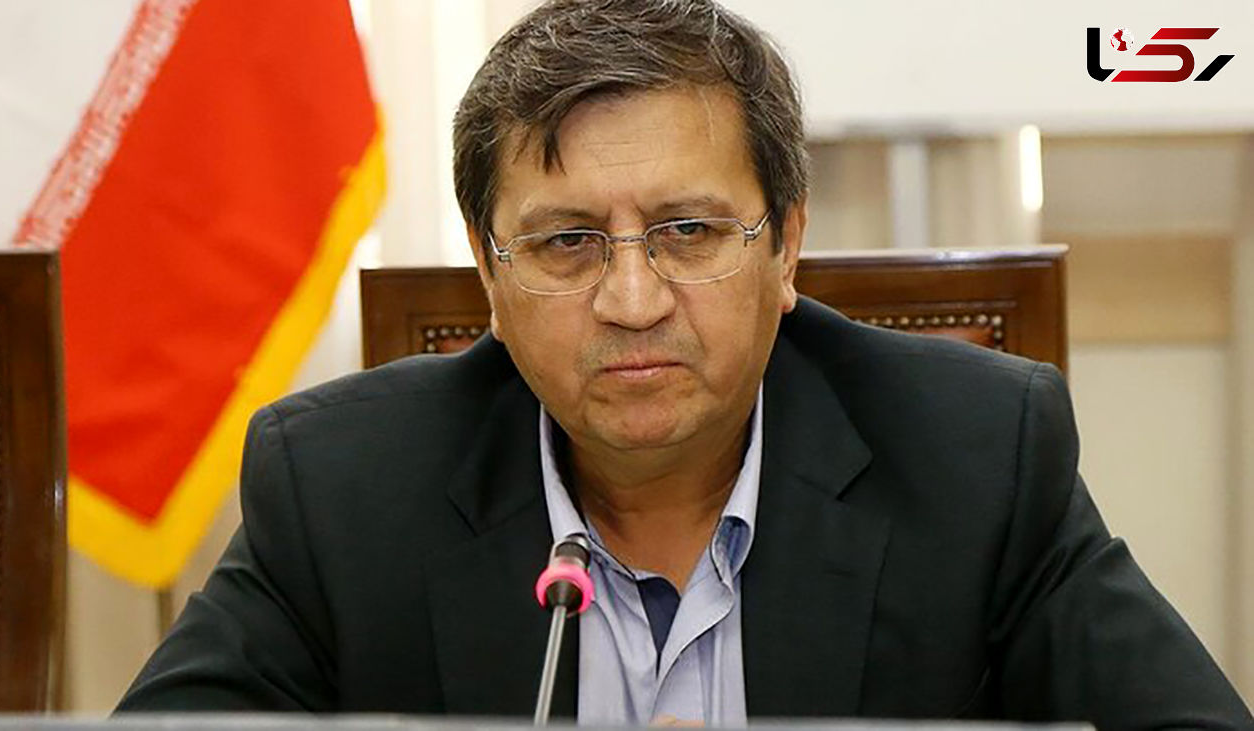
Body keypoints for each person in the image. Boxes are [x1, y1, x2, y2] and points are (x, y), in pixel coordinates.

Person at [118, 0, 1252, 725]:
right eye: (567, 242)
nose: (631, 299)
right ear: (488, 269)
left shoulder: (973, 458)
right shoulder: (341, 488)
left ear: (786, 243)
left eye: (689, 232)